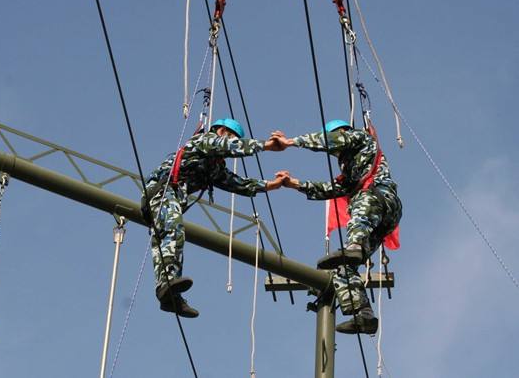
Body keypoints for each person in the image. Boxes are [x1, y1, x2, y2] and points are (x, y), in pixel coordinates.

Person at [142, 118, 285, 318]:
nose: (231, 145)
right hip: (162, 191)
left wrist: (273, 184)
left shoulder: (213, 167)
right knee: (173, 229)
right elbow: (228, 145)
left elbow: (238, 184)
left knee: (172, 236)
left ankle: (168, 293)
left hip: (171, 197)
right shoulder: (204, 141)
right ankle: (167, 282)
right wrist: (267, 146)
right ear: (221, 131)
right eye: (232, 137)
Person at [271, 119, 402, 334]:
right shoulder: (351, 172)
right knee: (344, 269)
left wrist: (290, 142)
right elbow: (330, 189)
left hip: (379, 197)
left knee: (360, 206)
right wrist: (294, 184)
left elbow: (331, 140)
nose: (336, 154)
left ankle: (354, 247)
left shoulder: (361, 138)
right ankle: (363, 314)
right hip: (383, 218)